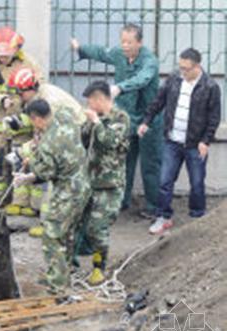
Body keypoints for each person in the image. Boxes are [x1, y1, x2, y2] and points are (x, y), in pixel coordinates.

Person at [71, 23, 162, 218]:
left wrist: (119, 88)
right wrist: (80, 48)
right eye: (123, 41)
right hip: (128, 117)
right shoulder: (120, 54)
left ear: (140, 42)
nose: (125, 46)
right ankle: (122, 201)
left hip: (149, 120)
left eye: (130, 42)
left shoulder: (149, 61)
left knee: (150, 164)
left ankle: (154, 207)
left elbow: (143, 79)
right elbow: (102, 53)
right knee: (124, 160)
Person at [138, 48, 221, 235]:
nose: (182, 72)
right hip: (172, 142)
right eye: (180, 67)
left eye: (186, 69)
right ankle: (163, 217)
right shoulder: (174, 79)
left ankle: (197, 217)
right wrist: (146, 122)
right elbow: (158, 102)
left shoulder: (210, 87)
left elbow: (214, 117)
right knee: (165, 181)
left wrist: (205, 141)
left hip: (195, 144)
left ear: (197, 66)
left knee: (197, 183)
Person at [13, 99, 90, 292]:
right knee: (68, 232)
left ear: (37, 119)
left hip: (67, 191)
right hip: (83, 184)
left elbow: (44, 173)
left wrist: (25, 174)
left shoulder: (48, 144)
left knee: (52, 235)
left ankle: (58, 284)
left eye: (32, 121)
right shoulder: (65, 116)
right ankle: (67, 271)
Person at [2, 66, 85, 237]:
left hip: (76, 136)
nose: (19, 97)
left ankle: (49, 225)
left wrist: (28, 152)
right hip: (65, 134)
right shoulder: (39, 96)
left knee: (53, 173)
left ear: (30, 88)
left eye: (21, 93)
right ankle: (43, 215)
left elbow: (48, 138)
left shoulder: (50, 102)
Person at [0, 26, 42, 209]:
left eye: (6, 54)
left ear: (16, 50)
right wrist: (1, 100)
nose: (2, 58)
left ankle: (19, 201)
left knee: (20, 162)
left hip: (21, 123)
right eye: (0, 54)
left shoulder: (29, 63)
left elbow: (38, 89)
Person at [77, 81, 130, 285]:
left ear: (100, 99)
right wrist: (89, 123)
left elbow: (109, 142)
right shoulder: (95, 118)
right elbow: (82, 140)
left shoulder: (120, 118)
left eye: (91, 100)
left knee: (98, 228)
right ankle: (74, 263)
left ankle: (99, 268)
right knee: (84, 226)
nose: (89, 104)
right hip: (91, 181)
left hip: (110, 185)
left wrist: (97, 123)